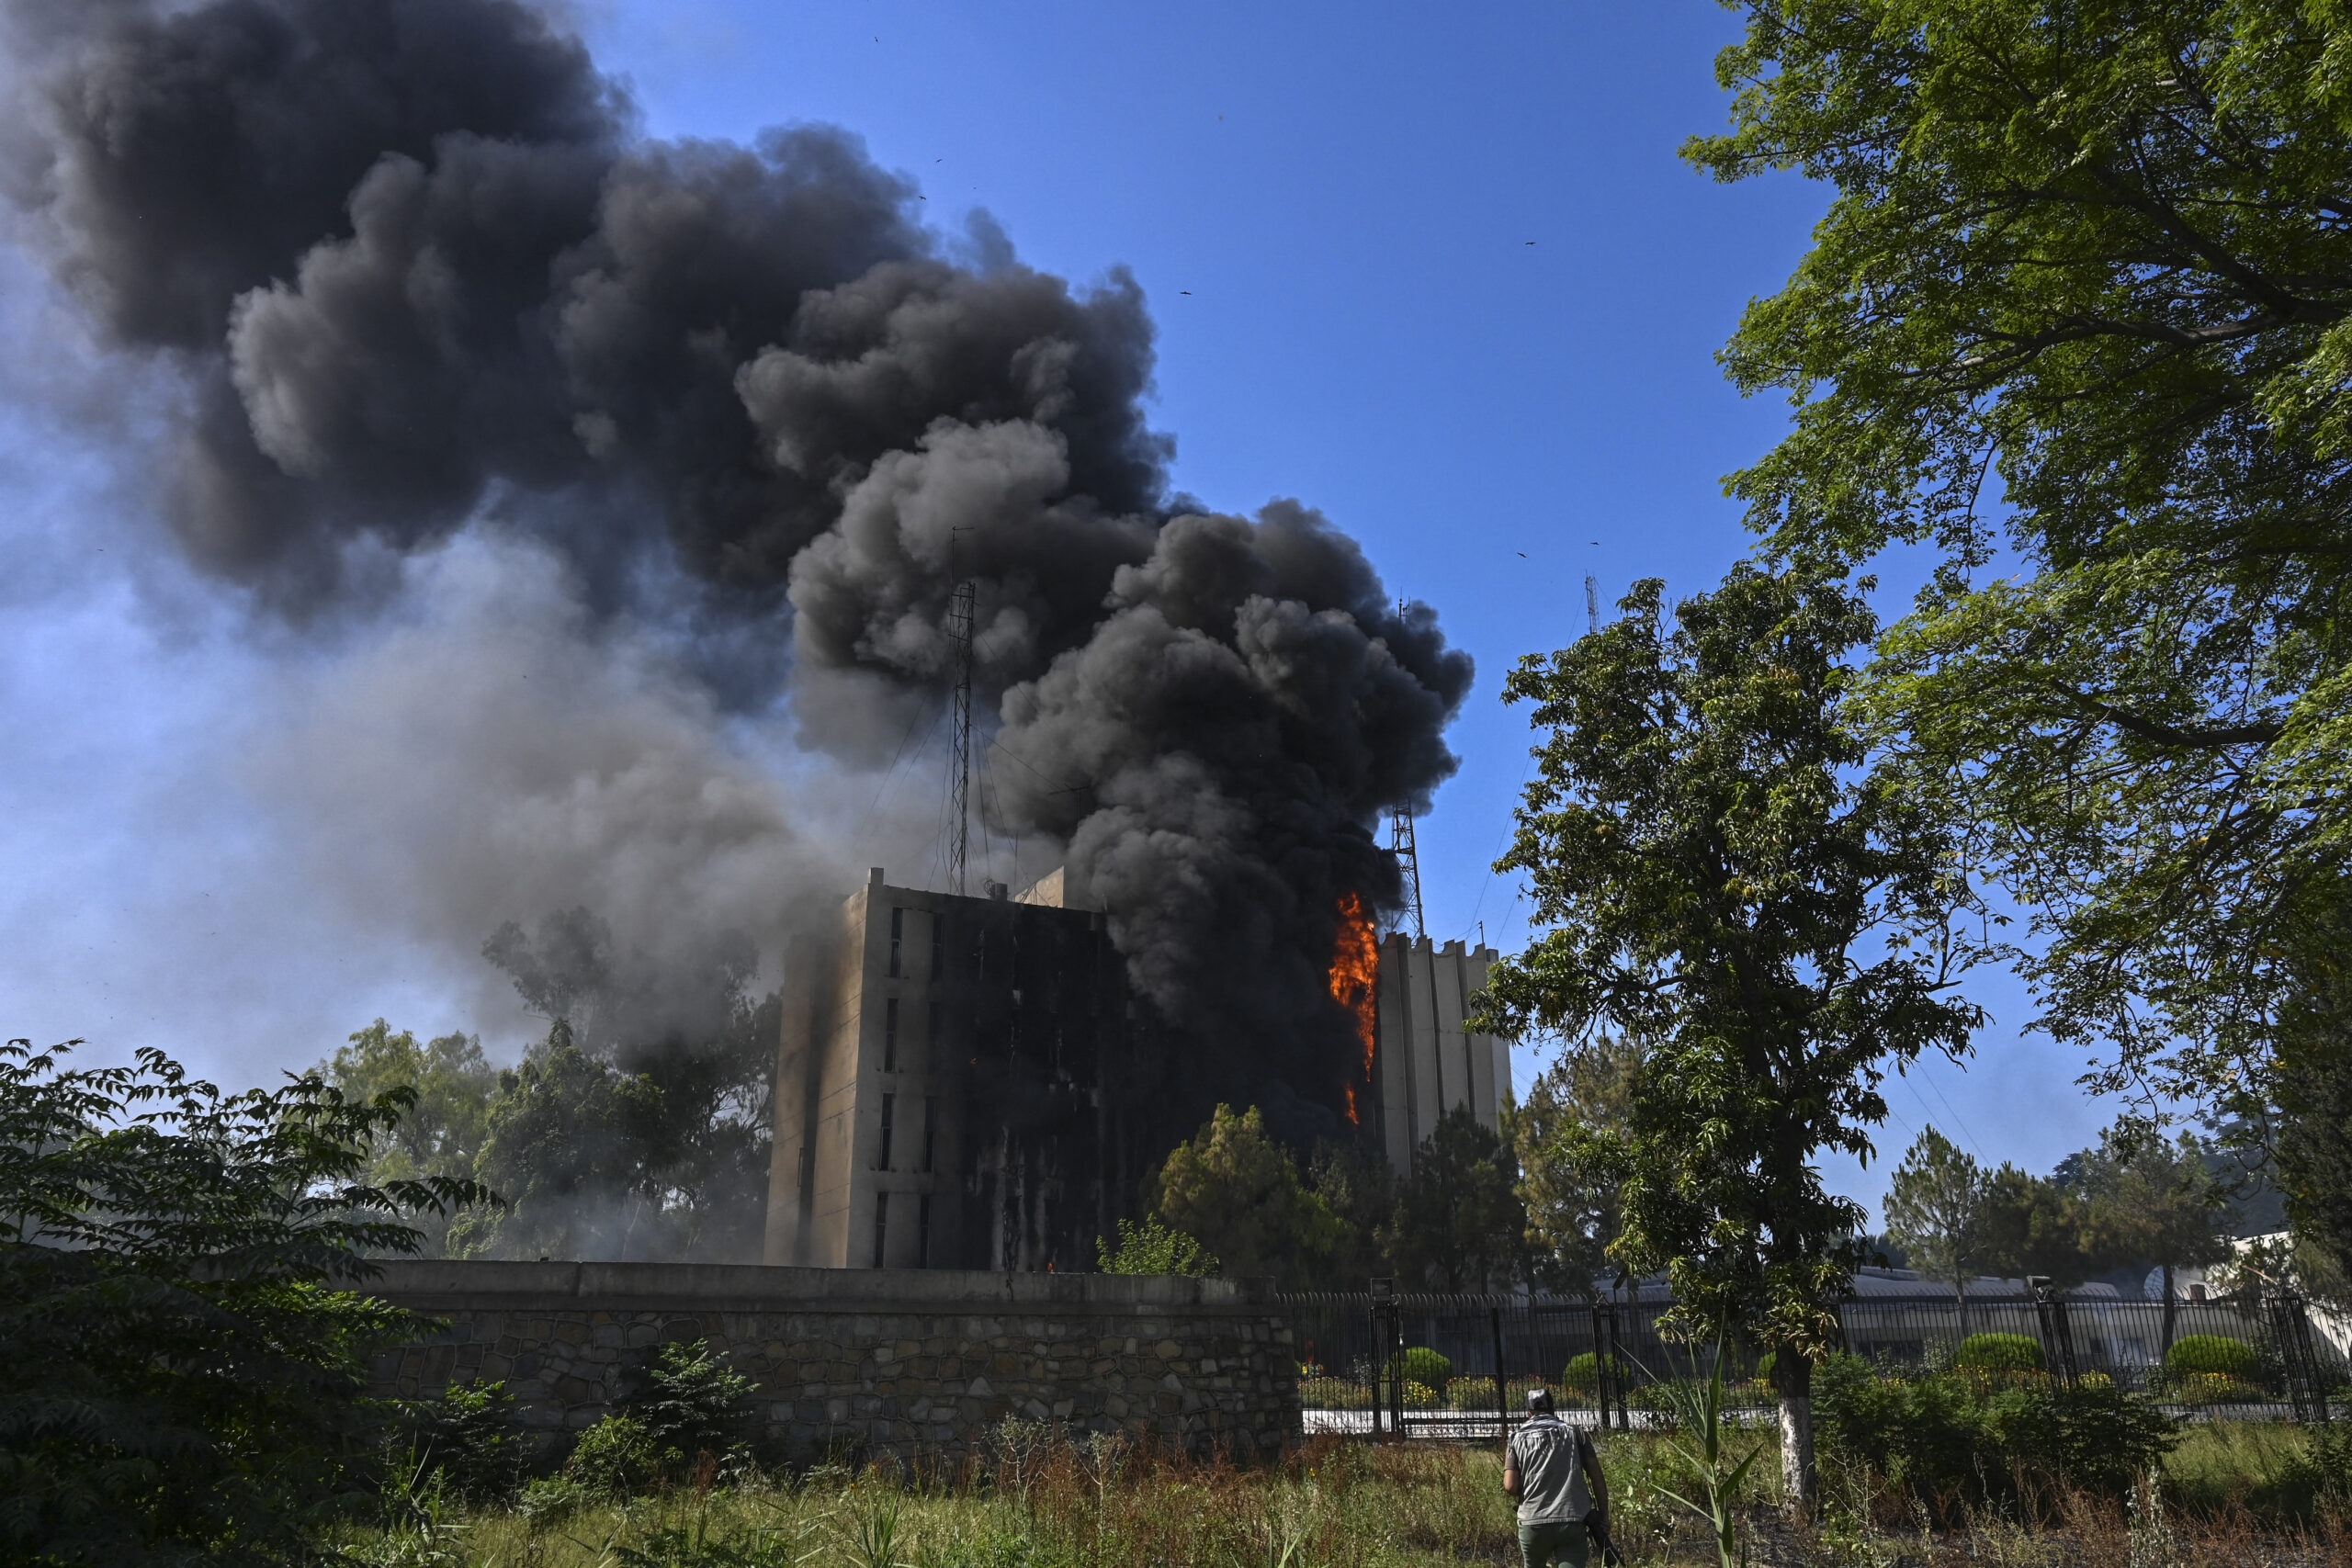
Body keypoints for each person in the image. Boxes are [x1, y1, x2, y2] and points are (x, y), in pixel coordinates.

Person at [1502, 1385, 1609, 1568]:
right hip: (1572, 1520)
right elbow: (1597, 1478)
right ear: (1553, 1410)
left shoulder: (1516, 1438)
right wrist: (1604, 1516)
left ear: (1529, 1413)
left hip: (1532, 1521)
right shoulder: (1576, 1433)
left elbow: (1510, 1486)